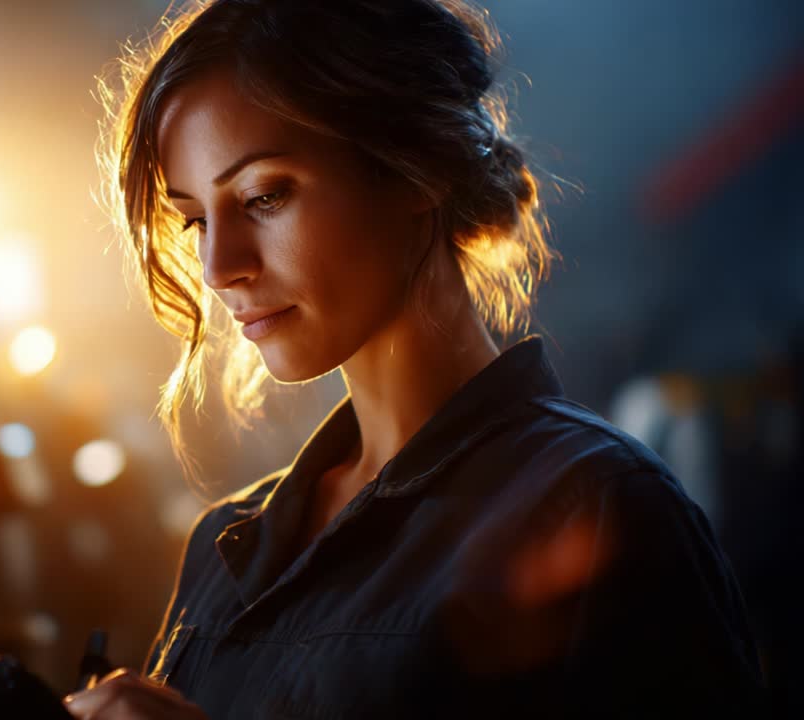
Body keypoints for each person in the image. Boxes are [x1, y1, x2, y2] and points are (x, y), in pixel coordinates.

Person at [65, 1, 766, 718]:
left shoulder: (598, 505)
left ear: (416, 170)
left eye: (263, 196)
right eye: (194, 220)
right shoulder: (223, 545)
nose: (218, 268)